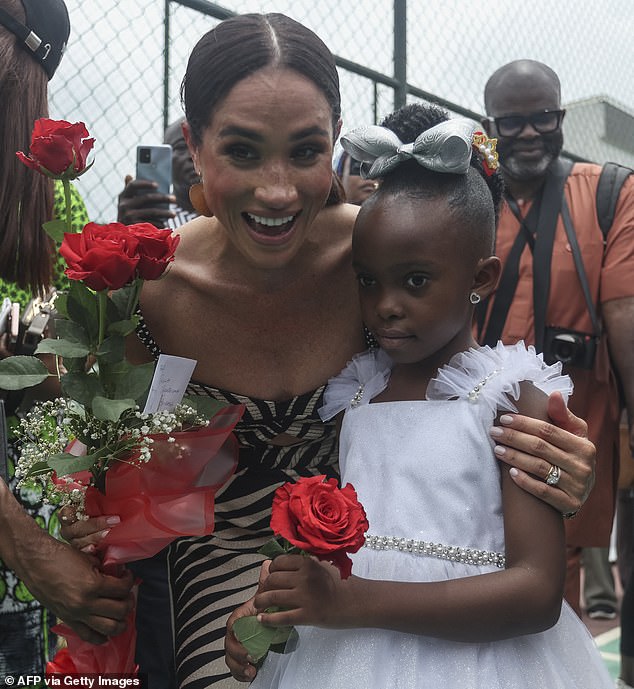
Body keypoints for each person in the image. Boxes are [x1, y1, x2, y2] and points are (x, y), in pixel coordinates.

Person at [66, 14, 596, 689]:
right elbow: (105, 448)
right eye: (244, 151)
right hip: (224, 543)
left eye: (306, 151)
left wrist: (558, 463)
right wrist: (89, 507)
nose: (279, 189)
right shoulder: (150, 291)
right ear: (194, 148)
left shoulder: (385, 253)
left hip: (376, 558)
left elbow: (469, 389)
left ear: (336, 148)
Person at [225, 103, 614, 689]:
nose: (385, 304)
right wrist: (274, 604)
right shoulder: (355, 393)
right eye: (368, 280)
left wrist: (348, 604)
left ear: (481, 279)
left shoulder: (510, 397)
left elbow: (536, 593)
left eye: (415, 281)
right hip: (344, 659)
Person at [0, 0, 134, 675]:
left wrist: (77, 516)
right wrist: (21, 541)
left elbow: (72, 384)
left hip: (39, 517)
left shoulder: (59, 204)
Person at [478, 59, 634, 617]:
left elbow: (625, 315)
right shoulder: (466, 199)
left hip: (571, 429)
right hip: (471, 429)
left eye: (543, 117)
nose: (528, 133)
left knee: (553, 596)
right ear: (488, 124)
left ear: (562, 115)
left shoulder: (609, 193)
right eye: (511, 121)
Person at [117, 117, 199, 230]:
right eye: (181, 147)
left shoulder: (227, 212)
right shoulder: (148, 216)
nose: (193, 155)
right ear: (166, 159)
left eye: (199, 145)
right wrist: (125, 232)